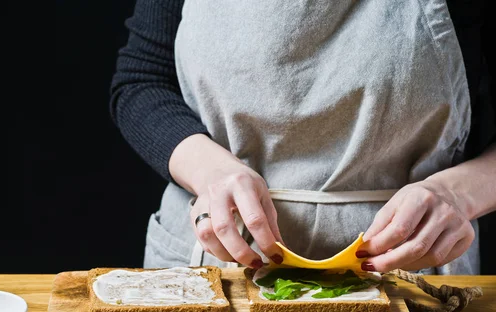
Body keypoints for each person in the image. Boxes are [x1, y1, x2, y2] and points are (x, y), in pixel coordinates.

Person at [110, 0, 496, 274]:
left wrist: (457, 194)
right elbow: (142, 80)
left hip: (409, 262)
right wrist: (211, 172)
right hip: (214, 259)